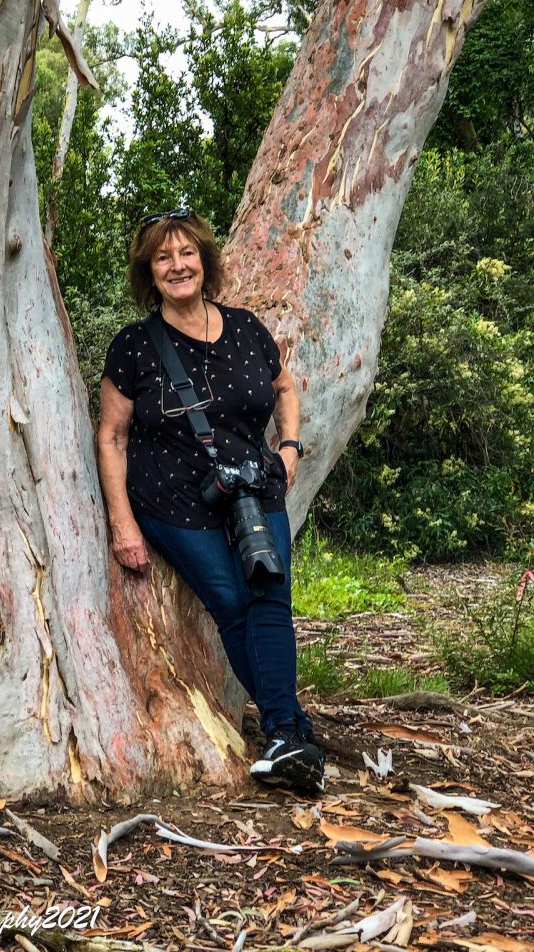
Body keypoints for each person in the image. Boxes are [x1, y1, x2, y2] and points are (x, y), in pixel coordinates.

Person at [97, 208, 325, 793]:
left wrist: (292, 445)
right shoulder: (134, 347)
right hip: (173, 498)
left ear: (205, 260)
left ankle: (283, 735)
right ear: (150, 273)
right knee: (230, 600)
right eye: (163, 258)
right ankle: (291, 733)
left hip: (253, 487)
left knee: (270, 592)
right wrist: (123, 523)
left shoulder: (246, 328)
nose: (178, 266)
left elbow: (284, 387)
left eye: (186, 254)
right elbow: (112, 437)